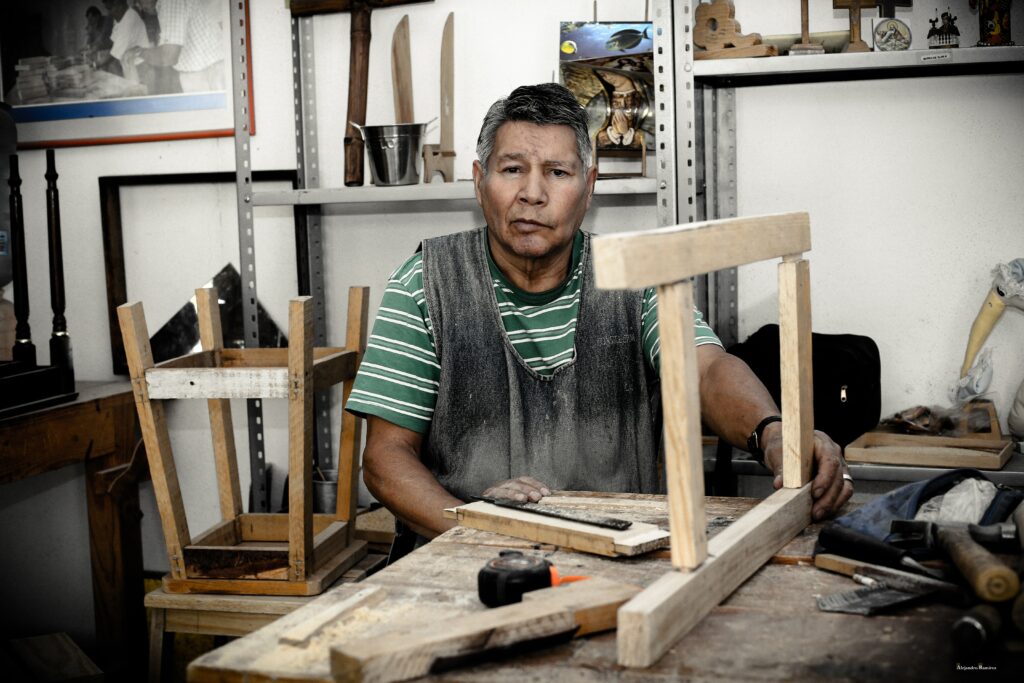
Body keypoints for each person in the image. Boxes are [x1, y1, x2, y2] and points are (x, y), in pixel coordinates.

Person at [346, 82, 853, 556]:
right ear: (480, 182)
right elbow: (386, 459)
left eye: (558, 173)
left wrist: (773, 433)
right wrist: (474, 524)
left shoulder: (632, 277)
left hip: (620, 553)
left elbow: (703, 370)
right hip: (461, 556)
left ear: (589, 187)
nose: (532, 193)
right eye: (512, 169)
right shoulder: (426, 282)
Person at [127, 0, 224, 93]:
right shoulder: (164, 6)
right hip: (205, 73)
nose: (138, 5)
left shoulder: (170, 2)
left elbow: (168, 56)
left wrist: (138, 52)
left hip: (212, 76)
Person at [94, 0, 149, 82]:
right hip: (129, 63)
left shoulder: (130, 18)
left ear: (119, 5)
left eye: (110, 8)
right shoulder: (119, 18)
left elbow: (114, 54)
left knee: (137, 91)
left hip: (140, 66)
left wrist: (96, 65)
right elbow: (112, 41)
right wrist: (96, 47)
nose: (110, 13)